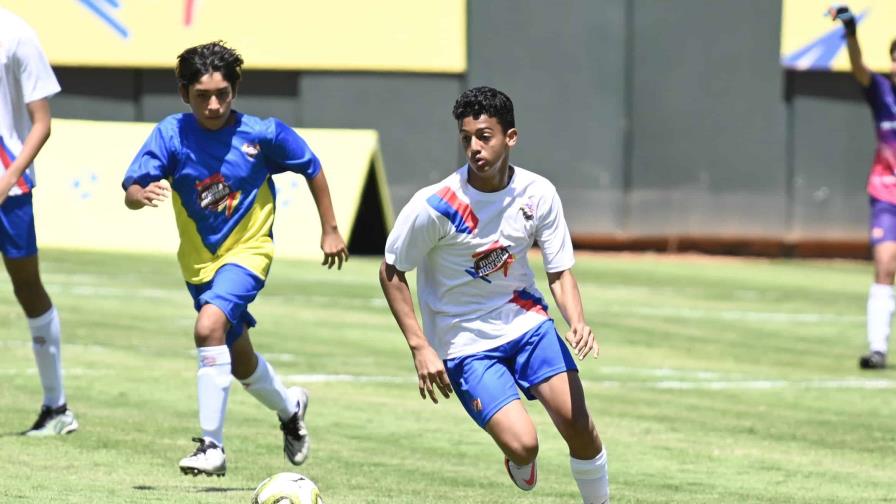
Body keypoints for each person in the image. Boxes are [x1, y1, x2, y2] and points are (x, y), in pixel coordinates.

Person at [122, 41, 348, 477]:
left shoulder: (263, 134)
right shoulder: (171, 133)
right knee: (238, 357)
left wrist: (331, 228)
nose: (213, 104)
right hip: (199, 264)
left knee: (208, 327)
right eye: (203, 95)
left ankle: (212, 447)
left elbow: (311, 165)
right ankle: (290, 409)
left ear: (235, 89)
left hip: (249, 253)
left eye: (222, 93)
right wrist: (140, 195)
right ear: (184, 93)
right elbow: (132, 188)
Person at [379, 86, 609, 503]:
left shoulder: (538, 193)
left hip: (527, 324)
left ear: (511, 138)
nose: (474, 147)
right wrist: (419, 347)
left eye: (484, 136)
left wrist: (577, 321)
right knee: (525, 444)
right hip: (465, 343)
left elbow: (559, 272)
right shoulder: (436, 206)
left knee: (580, 426)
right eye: (466, 138)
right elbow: (392, 271)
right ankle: (517, 460)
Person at [0, 7, 78, 436]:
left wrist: (9, 177)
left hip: (9, 189)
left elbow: (42, 122)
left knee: (27, 287)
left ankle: (57, 406)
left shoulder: (15, 34)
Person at [832, 6, 896, 369]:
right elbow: (859, 68)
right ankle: (878, 349)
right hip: (887, 192)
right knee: (885, 265)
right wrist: (851, 32)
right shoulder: (882, 93)